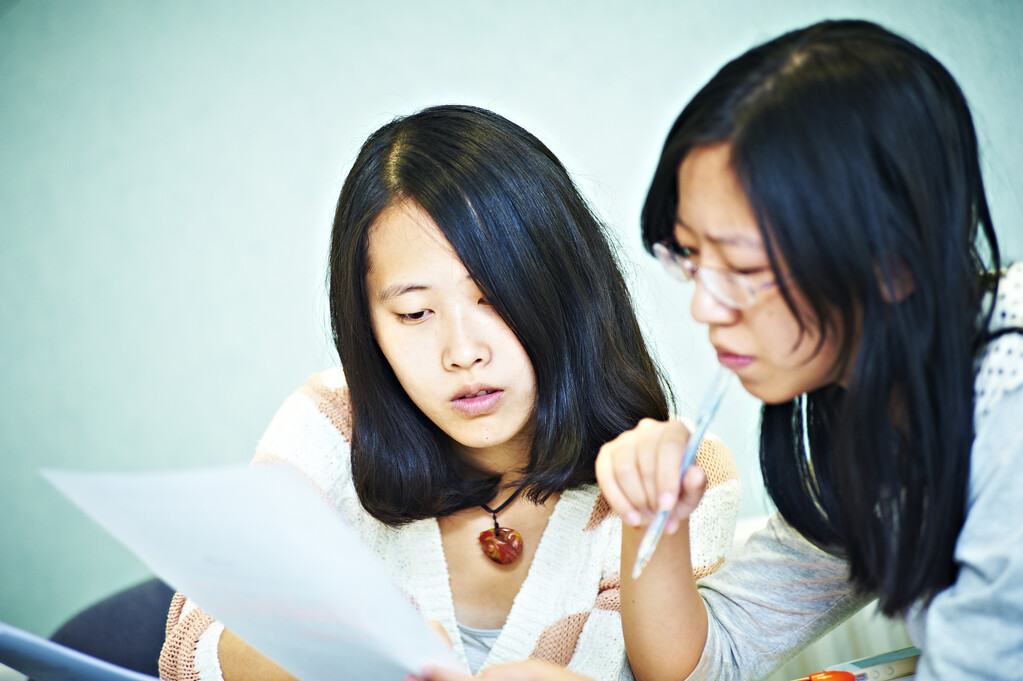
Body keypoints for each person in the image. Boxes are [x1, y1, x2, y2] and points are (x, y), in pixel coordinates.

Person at [421, 19, 1023, 681]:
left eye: (740, 267)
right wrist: (653, 515)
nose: (704, 306)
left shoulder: (1007, 417)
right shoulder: (870, 424)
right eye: (691, 256)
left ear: (892, 263)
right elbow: (713, 662)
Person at [158, 105, 741, 681]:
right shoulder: (330, 427)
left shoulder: (678, 469)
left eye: (492, 298)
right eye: (414, 313)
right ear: (367, 324)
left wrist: (652, 519)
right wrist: (349, 654)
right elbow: (191, 645)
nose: (462, 351)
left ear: (567, 289)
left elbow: (691, 676)